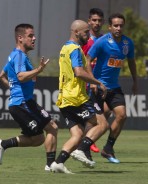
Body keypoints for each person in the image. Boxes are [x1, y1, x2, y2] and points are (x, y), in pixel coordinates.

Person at [0, 23, 58, 171]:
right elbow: (21, 77)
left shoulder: (17, 55)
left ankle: (50, 165)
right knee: (38, 138)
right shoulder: (18, 56)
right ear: (20, 38)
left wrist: (13, 88)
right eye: (30, 36)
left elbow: (1, 75)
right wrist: (39, 69)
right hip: (21, 104)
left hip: (26, 102)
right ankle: (3, 144)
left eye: (34, 35)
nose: (34, 38)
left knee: (51, 129)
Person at [49, 20, 108, 173]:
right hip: (76, 97)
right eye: (85, 32)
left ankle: (58, 163)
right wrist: (98, 82)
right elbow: (79, 72)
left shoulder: (65, 47)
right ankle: (82, 150)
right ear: (76, 32)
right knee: (102, 124)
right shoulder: (75, 49)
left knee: (77, 134)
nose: (88, 36)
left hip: (64, 98)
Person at [87, 13, 138, 163]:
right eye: (115, 25)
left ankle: (108, 148)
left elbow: (132, 62)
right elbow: (88, 60)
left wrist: (136, 82)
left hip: (114, 87)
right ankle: (85, 148)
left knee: (122, 115)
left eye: (121, 25)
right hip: (100, 87)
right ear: (109, 27)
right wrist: (93, 82)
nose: (118, 28)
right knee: (97, 122)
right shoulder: (102, 42)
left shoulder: (128, 43)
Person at [82, 8, 108, 153]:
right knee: (94, 118)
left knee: (104, 112)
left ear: (103, 22)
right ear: (89, 21)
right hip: (87, 85)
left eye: (99, 20)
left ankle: (87, 143)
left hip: (101, 84)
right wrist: (90, 81)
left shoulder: (105, 40)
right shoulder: (85, 40)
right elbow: (82, 62)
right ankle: (85, 145)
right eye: (94, 20)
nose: (97, 23)